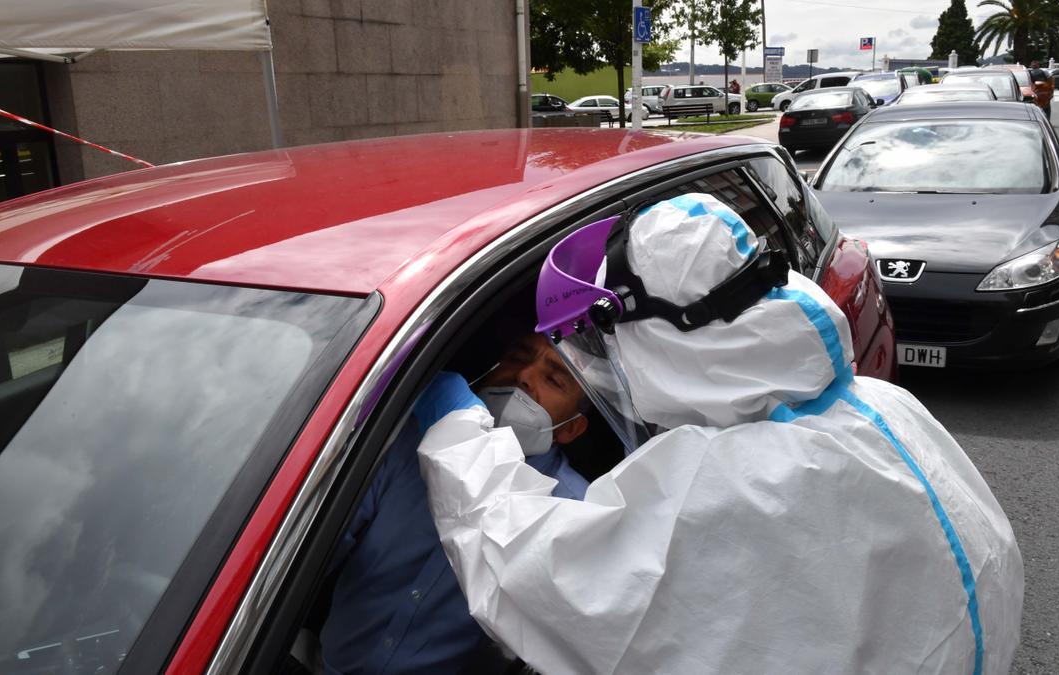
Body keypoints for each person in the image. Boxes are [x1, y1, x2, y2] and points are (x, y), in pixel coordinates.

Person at [414, 194, 1024, 674]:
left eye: (611, 344)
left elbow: (527, 574)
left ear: (665, 338)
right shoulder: (885, 408)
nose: (611, 364)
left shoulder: (728, 480)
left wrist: (455, 427)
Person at [319, 333, 590, 674]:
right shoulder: (407, 444)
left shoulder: (575, 510)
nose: (523, 375)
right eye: (518, 356)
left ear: (570, 430)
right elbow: (318, 552)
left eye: (553, 379)